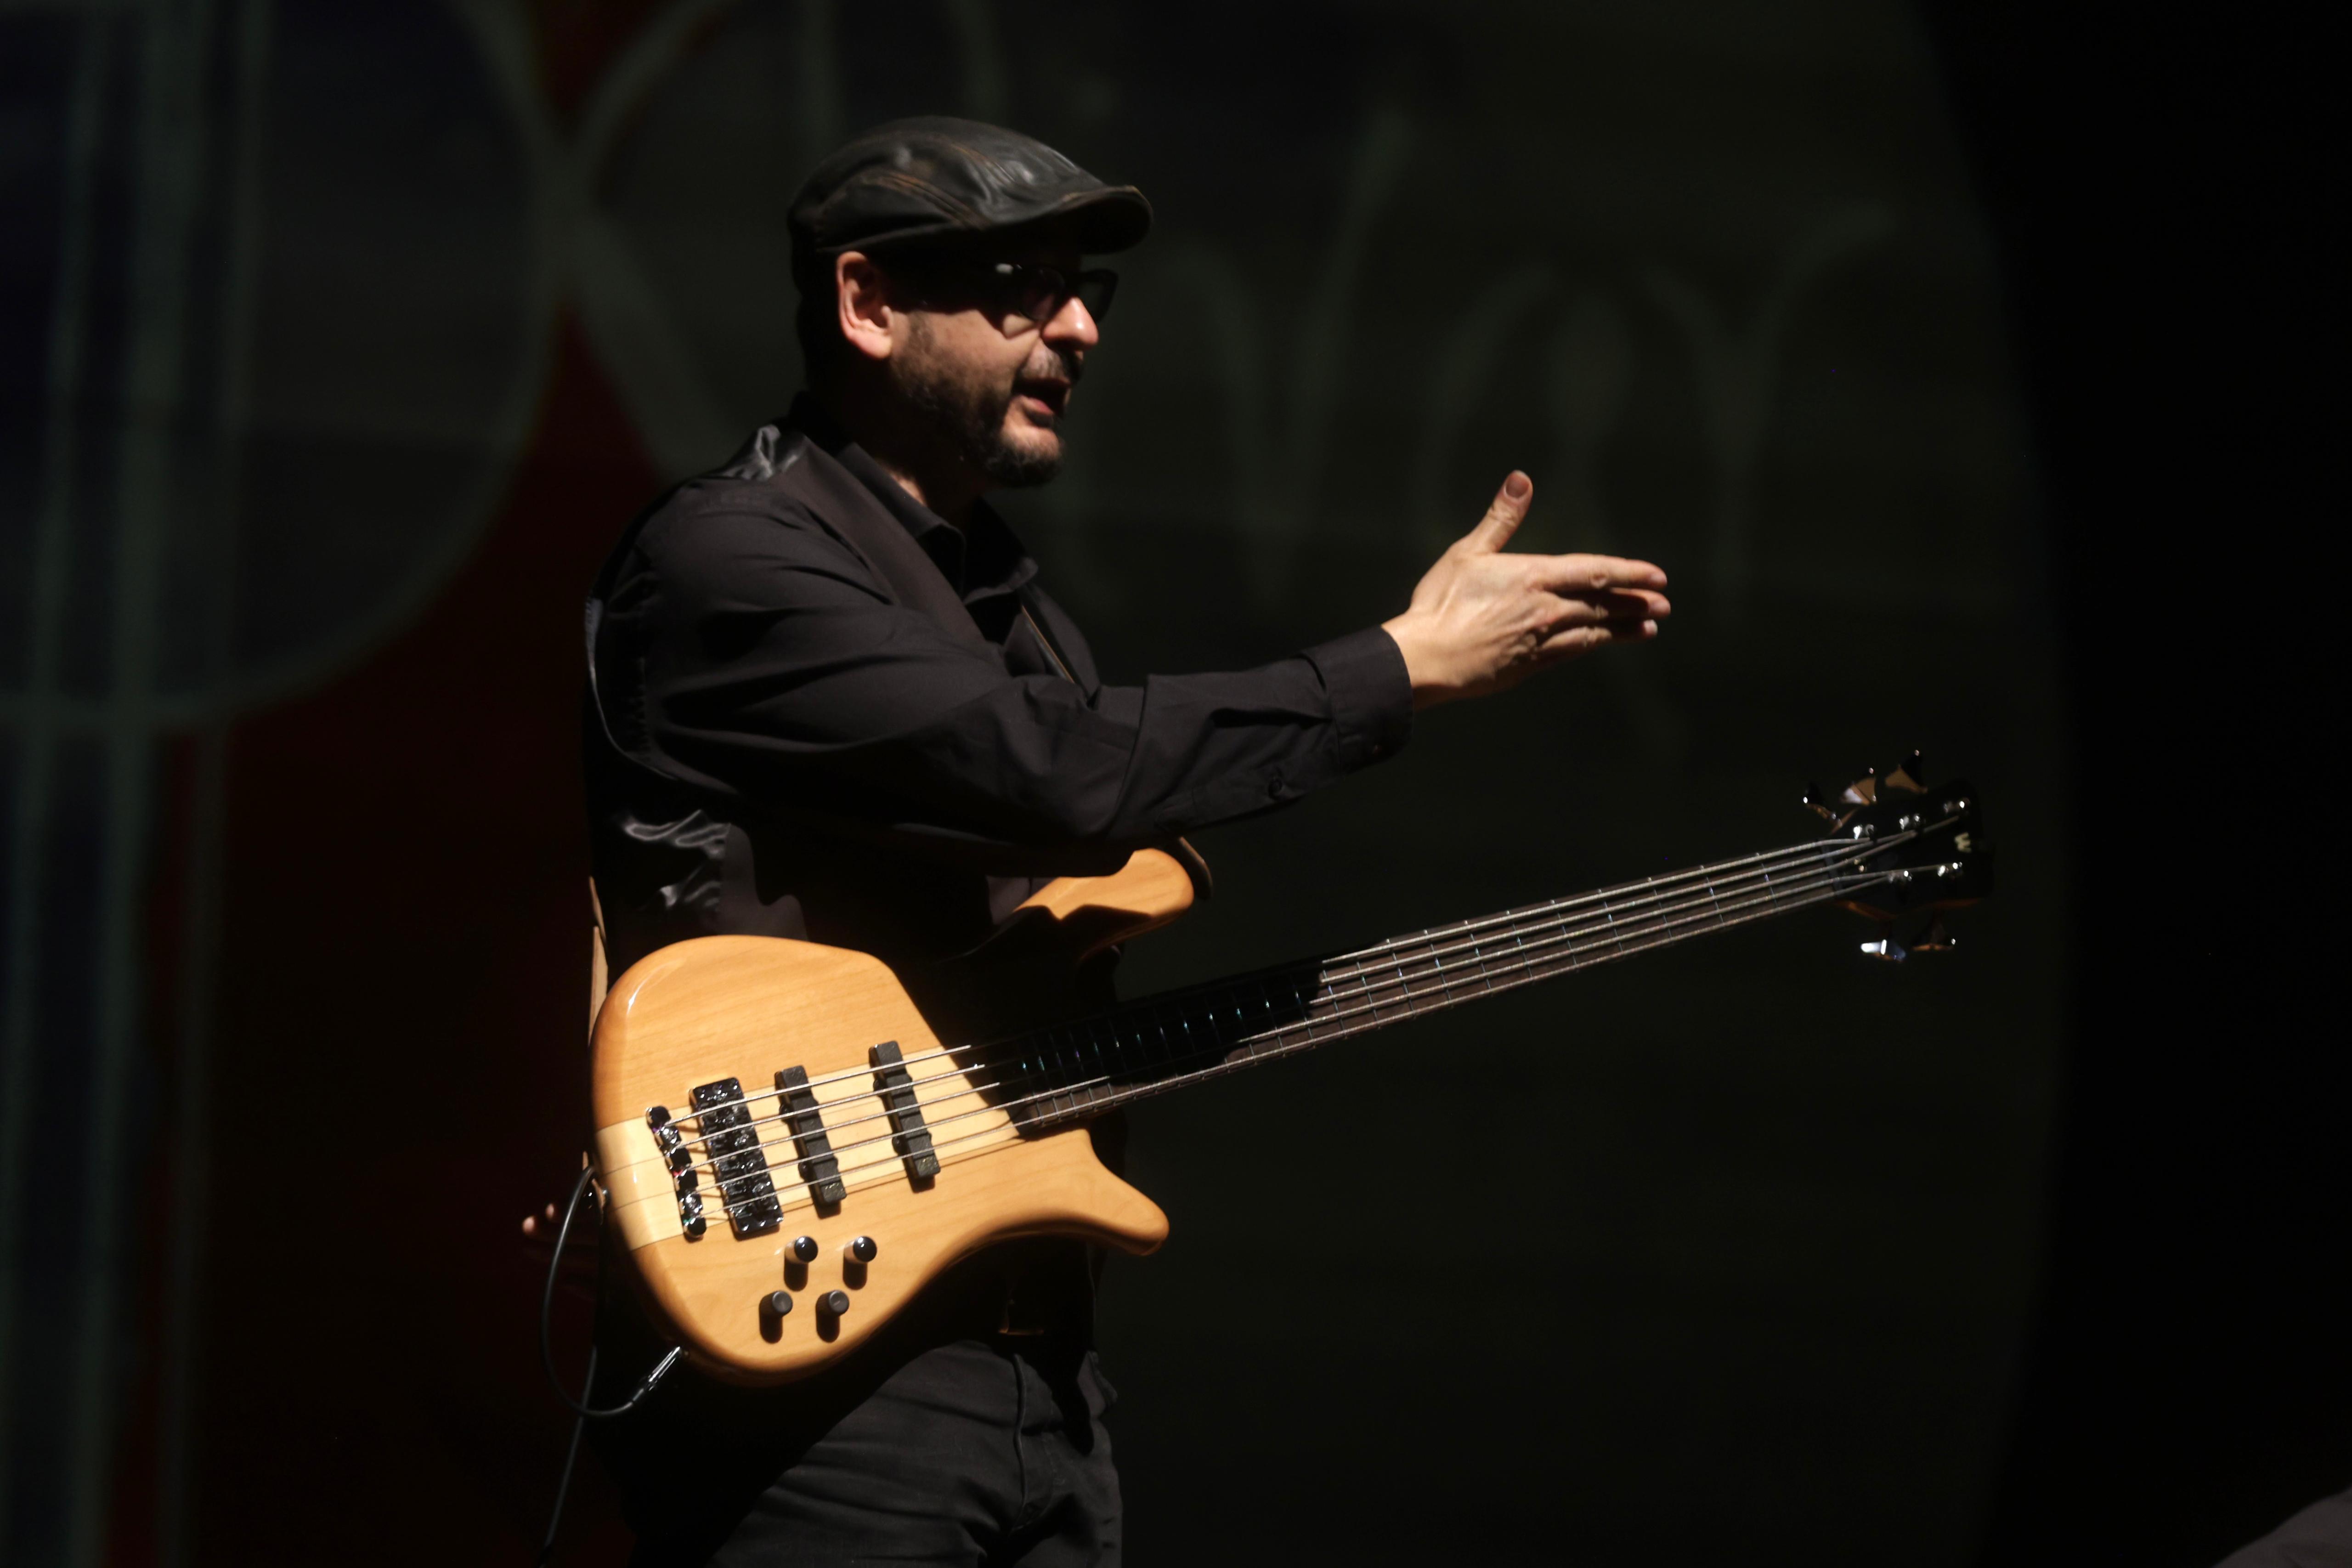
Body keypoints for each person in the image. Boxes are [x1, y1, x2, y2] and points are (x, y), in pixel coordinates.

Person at [580, 116, 1670, 1567]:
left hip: (1036, 1387)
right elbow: (1054, 771)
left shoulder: (1014, 613)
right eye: (1023, 285)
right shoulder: (732, 558)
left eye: (1089, 289)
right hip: (819, 1391)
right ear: (866, 303)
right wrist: (1399, 665)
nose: (1081, 324)